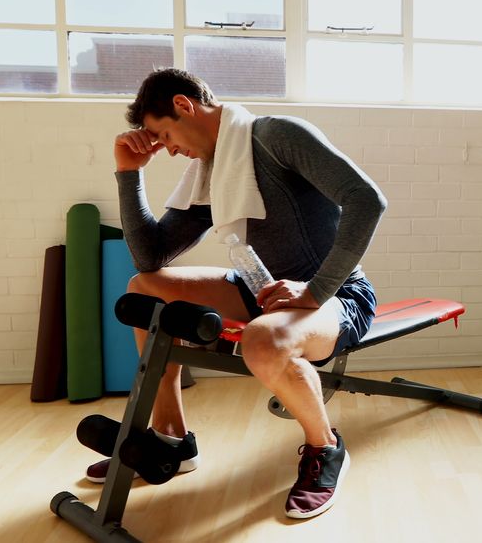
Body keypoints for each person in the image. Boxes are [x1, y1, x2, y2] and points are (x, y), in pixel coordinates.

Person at [91, 68, 387, 520]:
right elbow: (148, 257)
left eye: (164, 134)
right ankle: (172, 438)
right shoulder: (214, 170)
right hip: (263, 291)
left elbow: (366, 199)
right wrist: (128, 173)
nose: (167, 149)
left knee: (263, 340)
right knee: (145, 289)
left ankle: (325, 447)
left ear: (183, 105)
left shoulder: (276, 136)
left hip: (337, 296)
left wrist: (315, 290)